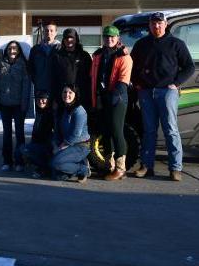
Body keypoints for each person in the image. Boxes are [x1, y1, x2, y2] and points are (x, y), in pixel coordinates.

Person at [130, 11, 195, 181]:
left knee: (170, 130)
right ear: (149, 26)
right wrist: (137, 83)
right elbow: (131, 66)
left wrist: (176, 83)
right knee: (148, 131)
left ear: (165, 24)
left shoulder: (176, 44)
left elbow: (189, 67)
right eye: (153, 23)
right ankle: (146, 166)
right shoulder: (141, 44)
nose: (156, 26)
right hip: (146, 92)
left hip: (168, 92)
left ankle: (175, 168)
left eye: (159, 23)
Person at [90, 25, 133, 181]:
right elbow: (93, 77)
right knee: (105, 131)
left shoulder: (124, 56)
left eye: (112, 37)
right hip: (101, 98)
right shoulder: (98, 55)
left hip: (117, 99)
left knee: (117, 131)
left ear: (118, 38)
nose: (109, 39)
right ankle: (110, 165)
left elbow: (123, 81)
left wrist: (114, 96)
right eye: (107, 37)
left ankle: (121, 168)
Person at [0, 40, 31, 172]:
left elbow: (26, 86)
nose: (12, 51)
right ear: (6, 51)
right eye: (9, 49)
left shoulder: (23, 65)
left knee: (20, 134)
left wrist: (24, 104)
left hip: (18, 105)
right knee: (7, 134)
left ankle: (20, 161)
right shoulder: (0, 64)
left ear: (19, 50)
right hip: (4, 105)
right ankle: (7, 161)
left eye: (15, 48)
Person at [51, 84, 91, 183]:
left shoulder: (79, 111)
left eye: (70, 92)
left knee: (56, 163)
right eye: (64, 92)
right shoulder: (62, 109)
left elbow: (76, 134)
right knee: (57, 175)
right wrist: (55, 144)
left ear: (75, 95)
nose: (67, 95)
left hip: (80, 146)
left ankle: (83, 169)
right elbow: (57, 131)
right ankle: (75, 165)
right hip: (66, 145)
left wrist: (61, 147)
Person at [50, 28, 92, 111]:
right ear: (63, 40)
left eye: (71, 38)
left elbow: (90, 77)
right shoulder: (57, 56)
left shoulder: (84, 55)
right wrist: (54, 98)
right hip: (63, 97)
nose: (69, 40)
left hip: (81, 97)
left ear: (76, 39)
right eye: (66, 38)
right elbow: (53, 78)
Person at [22, 90, 54, 179]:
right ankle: (40, 165)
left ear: (48, 100)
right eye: (39, 99)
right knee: (22, 149)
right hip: (39, 143)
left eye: (44, 99)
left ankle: (44, 168)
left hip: (48, 145)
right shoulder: (39, 113)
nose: (41, 101)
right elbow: (35, 133)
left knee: (26, 149)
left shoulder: (51, 114)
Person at [28, 21, 60, 106]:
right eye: (46, 30)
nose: (49, 33)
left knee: (55, 117)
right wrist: (37, 81)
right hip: (40, 90)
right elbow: (31, 69)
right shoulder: (35, 50)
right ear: (43, 32)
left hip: (56, 90)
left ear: (56, 32)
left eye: (51, 30)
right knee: (40, 117)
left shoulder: (60, 49)